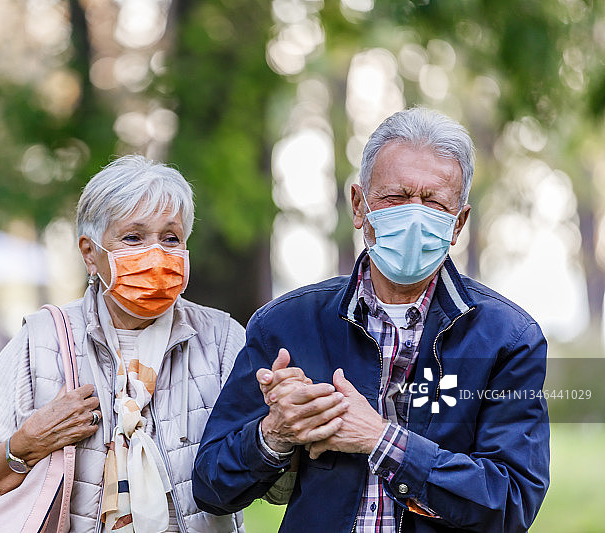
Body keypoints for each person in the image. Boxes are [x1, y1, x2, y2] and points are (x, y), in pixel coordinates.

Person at [192, 108, 550, 533]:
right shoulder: (286, 324)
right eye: (395, 198)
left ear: (459, 223)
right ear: (360, 205)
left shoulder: (508, 339)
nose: (414, 216)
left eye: (434, 201)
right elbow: (211, 487)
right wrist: (275, 433)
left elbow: (510, 503)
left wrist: (381, 439)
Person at [0, 155, 246, 532]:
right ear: (90, 253)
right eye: (134, 238)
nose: (156, 255)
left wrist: (276, 433)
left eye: (171, 238)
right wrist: (26, 443)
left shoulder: (221, 339)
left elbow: (273, 486)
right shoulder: (43, 340)